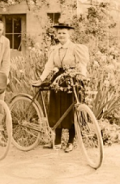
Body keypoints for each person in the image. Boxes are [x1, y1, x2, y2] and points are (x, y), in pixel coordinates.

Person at [32, 22, 89, 152]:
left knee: (71, 110)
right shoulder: (55, 49)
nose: (61, 35)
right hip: (58, 80)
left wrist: (82, 75)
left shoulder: (75, 48)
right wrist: (41, 79)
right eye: (59, 33)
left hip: (72, 79)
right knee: (56, 109)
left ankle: (70, 142)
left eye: (64, 33)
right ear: (56, 35)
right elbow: (49, 65)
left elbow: (82, 64)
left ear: (69, 34)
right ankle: (57, 141)